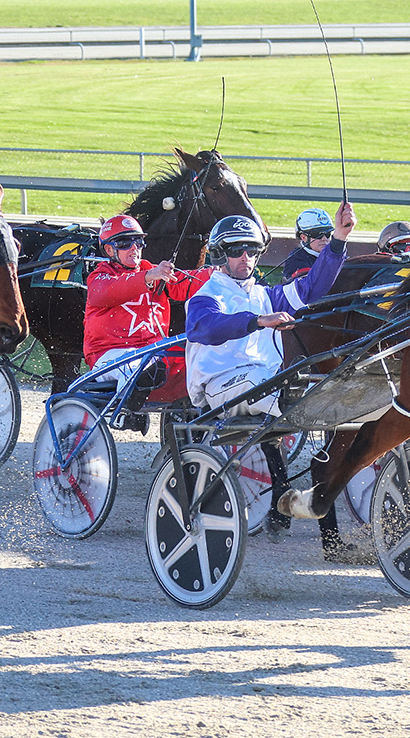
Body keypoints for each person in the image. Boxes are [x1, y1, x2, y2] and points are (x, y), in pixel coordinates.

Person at [185, 205, 360, 559]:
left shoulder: (266, 292)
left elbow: (312, 288)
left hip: (259, 385)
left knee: (294, 374)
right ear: (220, 254)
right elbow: (205, 328)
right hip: (217, 388)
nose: (245, 257)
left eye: (251, 249)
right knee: (271, 376)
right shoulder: (206, 295)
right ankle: (302, 403)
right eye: (236, 250)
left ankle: (320, 403)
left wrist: (339, 240)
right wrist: (257, 322)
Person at [83, 214, 212, 432]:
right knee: (141, 367)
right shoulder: (99, 278)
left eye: (138, 242)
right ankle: (127, 412)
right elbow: (111, 291)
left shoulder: (151, 270)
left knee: (204, 357)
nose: (134, 248)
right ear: (109, 250)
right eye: (125, 243)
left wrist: (216, 274)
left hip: (154, 353)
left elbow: (184, 285)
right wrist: (149, 276)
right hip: (108, 355)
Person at [283, 207, 334, 281]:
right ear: (303, 237)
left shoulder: (334, 254)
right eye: (317, 234)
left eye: (327, 234)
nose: (324, 239)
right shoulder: (296, 262)